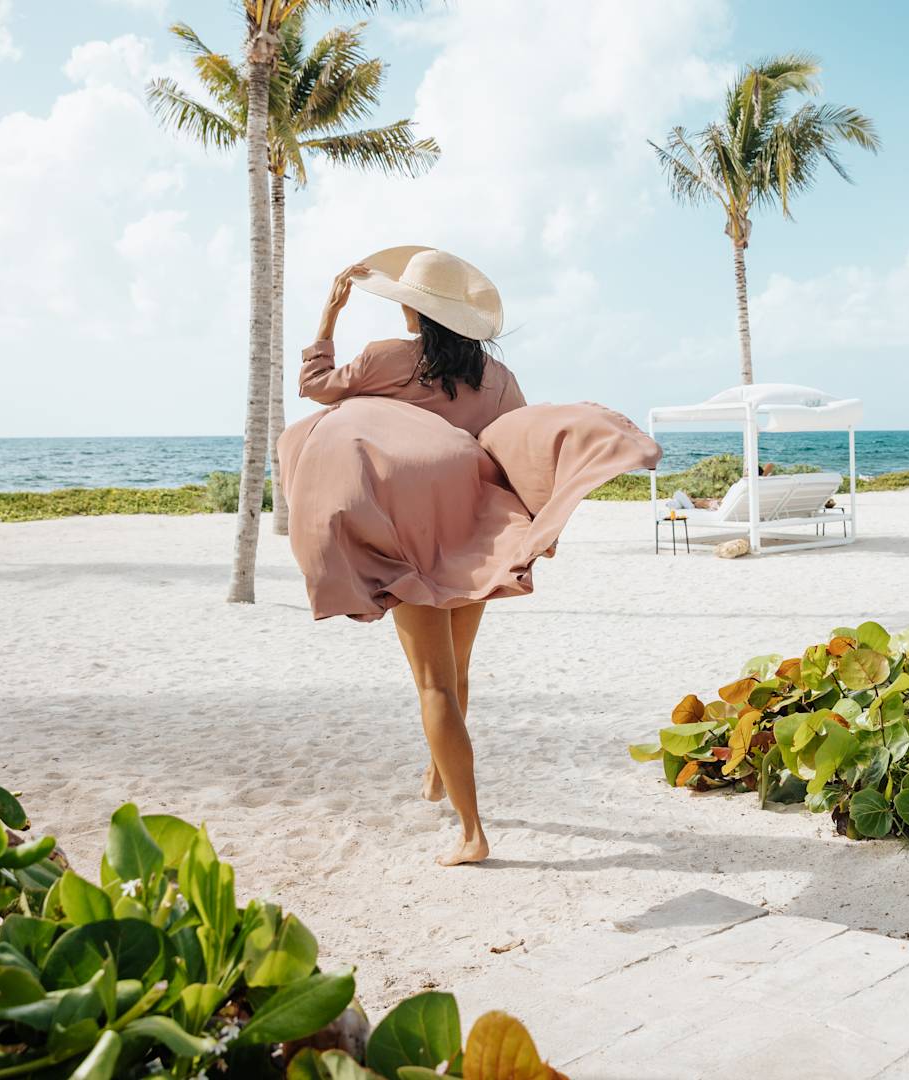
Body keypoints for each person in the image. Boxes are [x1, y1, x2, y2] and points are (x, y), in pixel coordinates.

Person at [276, 246, 659, 866]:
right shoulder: (498, 379)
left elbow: (317, 389)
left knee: (433, 685)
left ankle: (471, 832)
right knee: (455, 673)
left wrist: (327, 319)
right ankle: (437, 772)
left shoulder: (389, 359)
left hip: (408, 542)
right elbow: (507, 447)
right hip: (473, 540)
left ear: (414, 312)